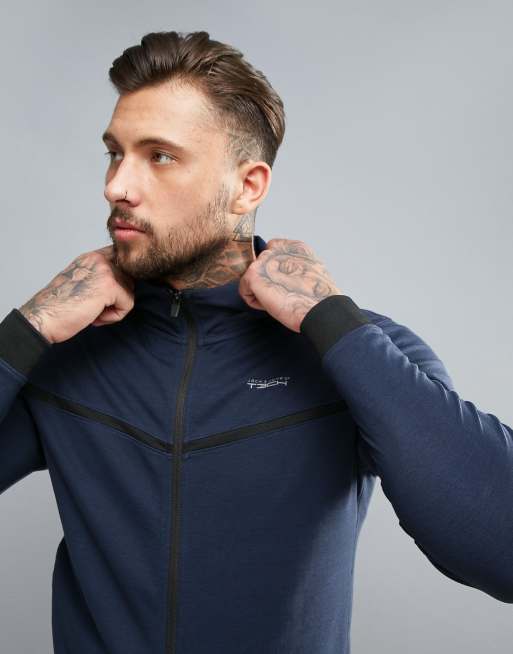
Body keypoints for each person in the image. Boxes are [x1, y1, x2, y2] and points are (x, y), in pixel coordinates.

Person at [1, 29, 512, 654]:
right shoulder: (65, 350)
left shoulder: (359, 349)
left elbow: (500, 546)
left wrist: (331, 322)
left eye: (159, 156)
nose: (117, 186)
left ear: (248, 186)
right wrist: (24, 330)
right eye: (115, 153)